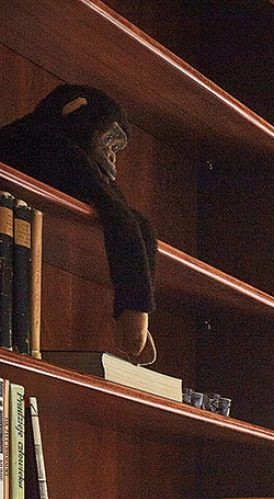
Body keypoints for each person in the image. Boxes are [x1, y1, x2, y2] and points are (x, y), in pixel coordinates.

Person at [0, 85, 158, 364]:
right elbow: (118, 216)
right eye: (109, 141)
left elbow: (129, 218)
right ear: (75, 109)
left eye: (117, 149)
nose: (112, 156)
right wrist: (135, 305)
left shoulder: (69, 152)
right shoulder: (53, 145)